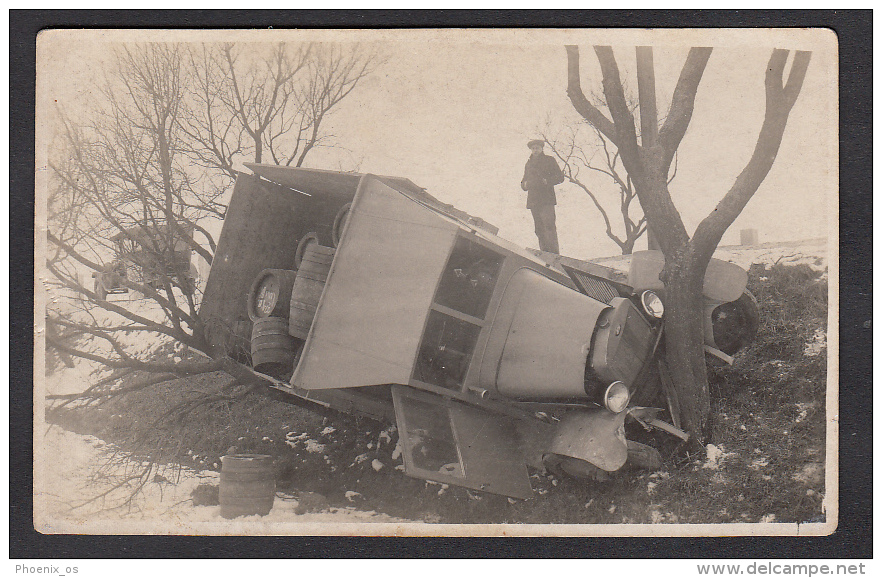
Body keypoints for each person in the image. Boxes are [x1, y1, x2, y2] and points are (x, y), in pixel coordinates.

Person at [520, 139, 564, 254]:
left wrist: (547, 181)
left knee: (549, 226)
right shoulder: (528, 164)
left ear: (542, 148)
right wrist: (524, 185)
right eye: (533, 148)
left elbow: (560, 177)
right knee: (539, 229)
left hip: (546, 199)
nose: (535, 150)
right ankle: (545, 254)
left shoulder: (549, 160)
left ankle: (554, 255)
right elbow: (523, 181)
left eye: (537, 148)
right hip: (533, 201)